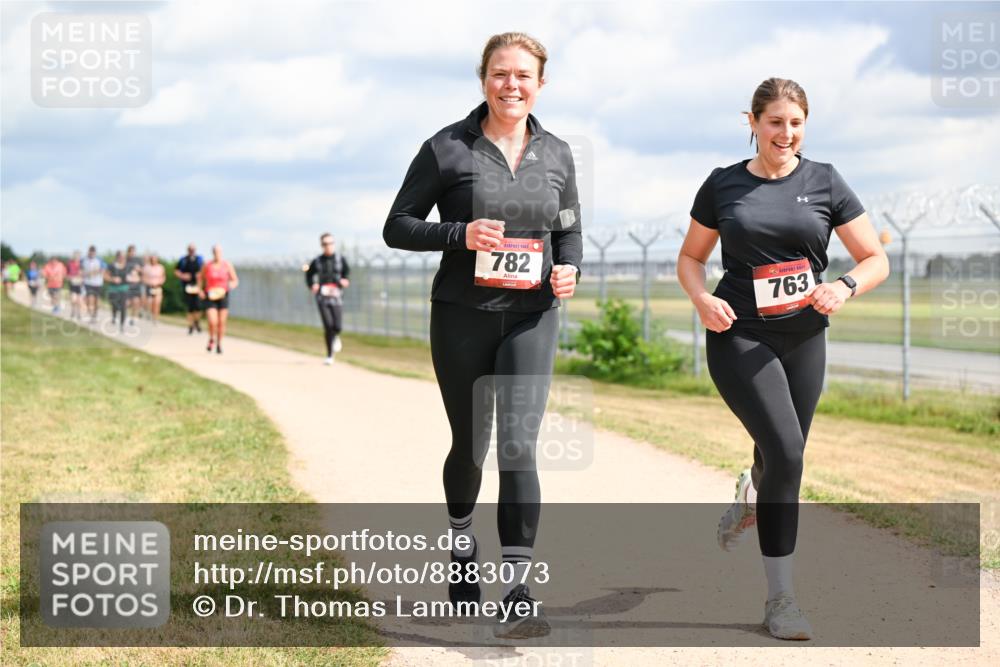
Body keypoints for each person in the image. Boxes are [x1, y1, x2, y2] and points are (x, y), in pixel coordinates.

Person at [384, 32, 582, 639]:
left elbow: (569, 228)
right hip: (462, 314)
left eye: (523, 75)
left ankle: (517, 590)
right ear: (483, 79)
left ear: (540, 84)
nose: (511, 85)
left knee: (518, 444)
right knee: (470, 447)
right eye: (500, 74)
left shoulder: (557, 153)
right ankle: (461, 541)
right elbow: (397, 226)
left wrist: (571, 267)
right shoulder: (447, 148)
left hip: (532, 313)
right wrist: (459, 235)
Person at [677, 77, 889, 640]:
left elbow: (874, 258)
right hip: (739, 332)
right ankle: (781, 600)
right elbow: (691, 259)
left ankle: (752, 490)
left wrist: (843, 287)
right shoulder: (723, 186)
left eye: (795, 123)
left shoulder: (825, 180)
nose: (785, 133)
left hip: (804, 336)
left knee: (780, 459)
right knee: (789, 454)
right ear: (752, 122)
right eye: (774, 122)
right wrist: (702, 299)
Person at [304, 233, 351, 364]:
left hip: (337, 296)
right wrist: (312, 284)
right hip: (322, 297)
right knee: (328, 325)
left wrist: (345, 281)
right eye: (325, 244)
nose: (328, 246)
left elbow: (346, 274)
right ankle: (330, 355)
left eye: (330, 243)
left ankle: (336, 336)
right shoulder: (317, 261)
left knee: (337, 325)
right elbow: (309, 275)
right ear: (321, 245)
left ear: (333, 244)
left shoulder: (341, 259)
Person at [198, 245, 238, 354]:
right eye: (215, 252)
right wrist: (200, 290)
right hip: (210, 295)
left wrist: (230, 286)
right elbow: (200, 278)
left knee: (221, 322)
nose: (217, 254)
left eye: (219, 251)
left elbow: (235, 280)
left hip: (223, 295)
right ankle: (212, 338)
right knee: (212, 321)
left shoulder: (227, 265)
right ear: (212, 253)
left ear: (221, 252)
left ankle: (219, 343)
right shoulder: (207, 265)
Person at [175, 244, 204, 335]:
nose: (192, 250)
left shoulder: (199, 259)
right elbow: (176, 271)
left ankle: (197, 322)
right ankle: (190, 325)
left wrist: (200, 278)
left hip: (197, 286)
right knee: (190, 307)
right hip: (187, 286)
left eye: (193, 249)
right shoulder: (183, 260)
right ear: (188, 250)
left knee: (198, 306)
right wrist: (183, 276)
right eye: (190, 249)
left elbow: (203, 271)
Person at [105, 251, 130, 332]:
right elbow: (105, 276)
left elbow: (134, 275)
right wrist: (113, 279)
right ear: (117, 257)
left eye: (123, 257)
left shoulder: (128, 266)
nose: (122, 258)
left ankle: (122, 325)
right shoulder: (111, 265)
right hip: (113, 288)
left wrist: (132, 278)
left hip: (124, 288)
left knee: (123, 306)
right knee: (114, 304)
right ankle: (114, 316)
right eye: (120, 257)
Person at [81, 246, 105, 323]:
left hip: (98, 283)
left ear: (95, 253)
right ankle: (91, 316)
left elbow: (103, 270)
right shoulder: (83, 260)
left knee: (96, 301)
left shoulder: (99, 260)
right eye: (90, 252)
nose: (91, 253)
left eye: (93, 252)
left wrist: (93, 272)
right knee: (89, 300)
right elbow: (81, 270)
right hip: (88, 283)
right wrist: (83, 276)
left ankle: (95, 314)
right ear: (88, 252)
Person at [142, 254, 166, 324]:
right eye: (152, 259)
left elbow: (163, 277)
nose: (153, 261)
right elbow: (143, 277)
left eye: (155, 259)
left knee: (157, 303)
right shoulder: (147, 267)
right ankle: (149, 314)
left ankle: (155, 318)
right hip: (149, 287)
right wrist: (149, 283)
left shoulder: (160, 267)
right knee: (150, 303)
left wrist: (160, 282)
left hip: (157, 287)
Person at [124, 245, 143, 325]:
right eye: (130, 251)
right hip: (127, 284)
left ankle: (133, 318)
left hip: (136, 284)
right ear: (128, 252)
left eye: (133, 251)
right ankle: (125, 317)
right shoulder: (125, 260)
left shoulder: (138, 260)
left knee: (136, 301)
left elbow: (143, 271)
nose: (132, 253)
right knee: (127, 302)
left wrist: (139, 269)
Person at [66, 251, 84, 320]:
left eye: (78, 256)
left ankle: (79, 313)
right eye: (76, 256)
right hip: (72, 283)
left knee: (79, 300)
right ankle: (73, 311)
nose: (77, 257)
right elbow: (67, 273)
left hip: (79, 284)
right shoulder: (69, 264)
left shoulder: (81, 264)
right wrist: (69, 277)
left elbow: (83, 274)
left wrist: (82, 277)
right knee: (73, 299)